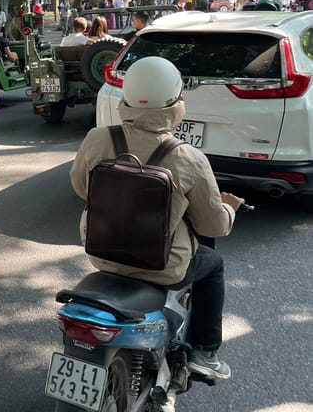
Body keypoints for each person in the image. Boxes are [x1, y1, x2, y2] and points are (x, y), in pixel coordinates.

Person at [70, 57, 244, 380]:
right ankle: (205, 352)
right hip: (163, 268)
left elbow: (82, 187)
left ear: (127, 99)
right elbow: (211, 225)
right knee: (213, 264)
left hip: (102, 255)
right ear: (175, 104)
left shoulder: (97, 139)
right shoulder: (188, 158)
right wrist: (230, 208)